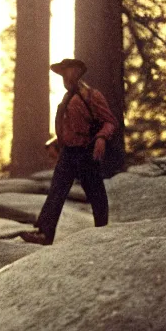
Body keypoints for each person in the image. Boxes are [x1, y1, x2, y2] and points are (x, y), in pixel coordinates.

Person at [22, 58, 118, 245]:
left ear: (77, 73)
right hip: (68, 153)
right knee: (57, 190)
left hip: (86, 151)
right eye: (63, 73)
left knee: (95, 191)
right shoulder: (67, 98)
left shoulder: (92, 96)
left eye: (69, 71)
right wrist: (57, 143)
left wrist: (101, 138)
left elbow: (110, 121)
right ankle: (44, 234)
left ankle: (103, 231)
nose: (66, 76)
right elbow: (72, 127)